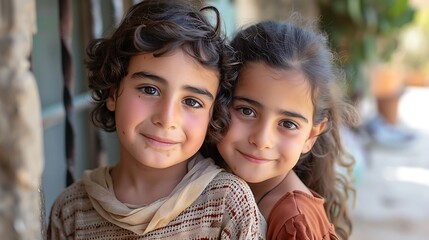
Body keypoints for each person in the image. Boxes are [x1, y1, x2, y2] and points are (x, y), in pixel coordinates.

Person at [46, 0, 266, 239]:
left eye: (192, 102)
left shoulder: (227, 205)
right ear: (112, 92)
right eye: (150, 90)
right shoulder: (71, 212)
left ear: (212, 114)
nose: (167, 118)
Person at [213, 20, 357, 239]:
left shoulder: (293, 222)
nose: (262, 140)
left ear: (311, 136)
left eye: (288, 124)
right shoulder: (206, 179)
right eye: (246, 111)